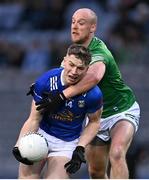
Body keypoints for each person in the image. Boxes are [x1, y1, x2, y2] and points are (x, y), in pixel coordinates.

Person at [36, 8, 140, 179]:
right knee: (96, 172)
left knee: (117, 152)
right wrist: (39, 86)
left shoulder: (99, 52)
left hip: (121, 111)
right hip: (94, 117)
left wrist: (62, 96)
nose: (75, 27)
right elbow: (60, 77)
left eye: (81, 23)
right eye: (73, 22)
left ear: (93, 28)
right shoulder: (74, 52)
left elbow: (94, 76)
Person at [12, 44, 103, 179]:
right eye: (71, 65)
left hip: (66, 143)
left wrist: (80, 148)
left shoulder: (93, 94)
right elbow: (34, 119)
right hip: (40, 136)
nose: (74, 72)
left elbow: (94, 123)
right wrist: (19, 145)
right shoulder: (46, 81)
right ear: (64, 61)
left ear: (87, 69)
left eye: (80, 68)